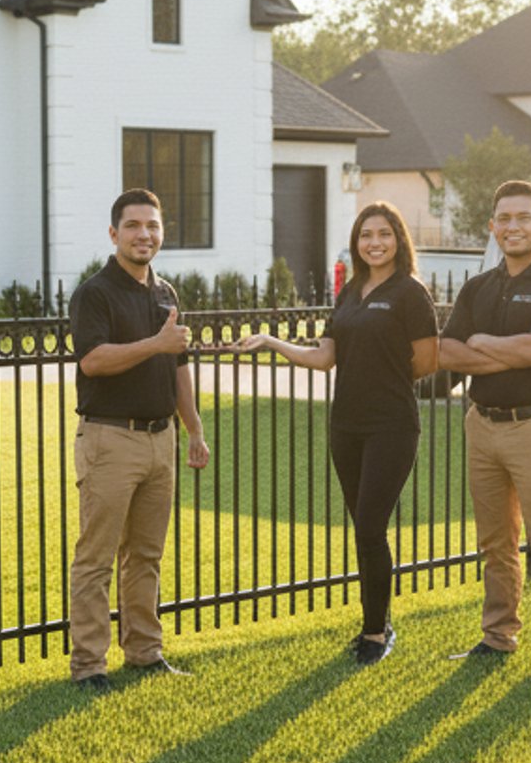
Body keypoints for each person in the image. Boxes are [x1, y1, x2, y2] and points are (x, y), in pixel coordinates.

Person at [237, 203, 438, 664]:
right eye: (366, 235)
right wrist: (270, 341)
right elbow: (324, 356)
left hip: (392, 425)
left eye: (384, 234)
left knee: (370, 525)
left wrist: (382, 377)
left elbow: (427, 361)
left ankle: (375, 633)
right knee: (363, 530)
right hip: (346, 424)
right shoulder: (350, 292)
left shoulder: (410, 293)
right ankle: (376, 622)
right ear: (357, 241)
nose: (375, 243)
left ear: (398, 240)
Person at [436, 180, 531, 677]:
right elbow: (445, 351)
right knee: (495, 543)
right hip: (483, 426)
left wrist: (482, 345)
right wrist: (506, 354)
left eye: (524, 218)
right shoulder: (478, 286)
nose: (513, 227)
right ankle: (499, 638)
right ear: (492, 227)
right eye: (504, 218)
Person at [66, 190, 211, 690]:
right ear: (114, 234)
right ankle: (88, 665)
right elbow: (93, 361)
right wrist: (157, 344)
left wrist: (193, 429)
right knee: (96, 558)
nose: (143, 234)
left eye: (152, 225)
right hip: (110, 439)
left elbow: (179, 369)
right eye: (133, 226)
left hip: (160, 440)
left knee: (146, 555)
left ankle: (145, 652)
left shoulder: (166, 292)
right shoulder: (95, 293)